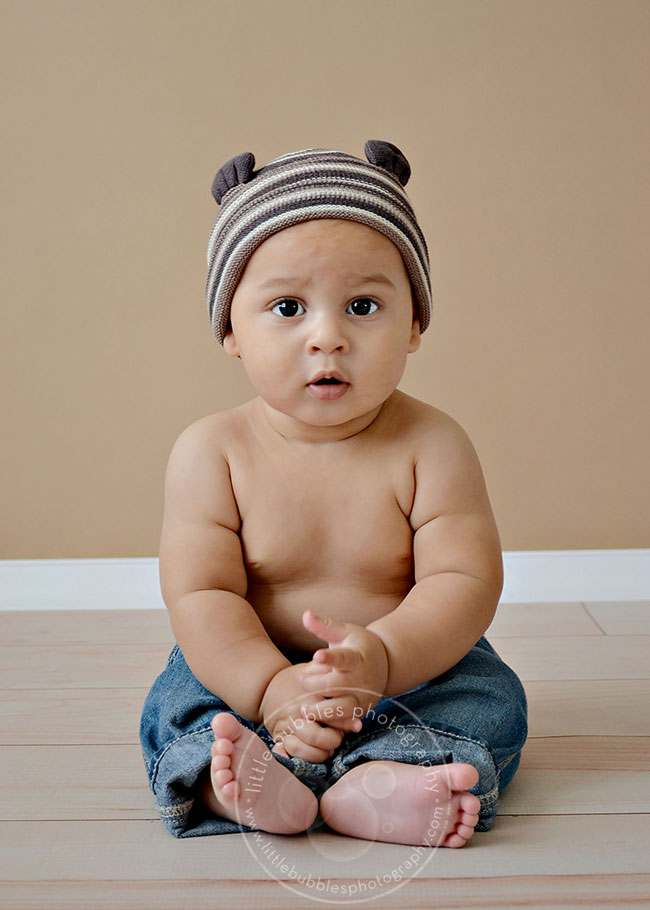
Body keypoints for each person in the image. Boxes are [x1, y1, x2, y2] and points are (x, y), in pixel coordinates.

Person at [140, 141, 528, 847]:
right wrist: (268, 690)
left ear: (414, 323)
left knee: (489, 699)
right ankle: (244, 780)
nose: (328, 337)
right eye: (288, 307)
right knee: (182, 702)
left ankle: (386, 779)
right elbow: (204, 597)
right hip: (252, 661)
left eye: (362, 305)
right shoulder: (211, 452)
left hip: (407, 667)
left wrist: (382, 658)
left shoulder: (432, 446)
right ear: (230, 328)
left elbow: (464, 580)